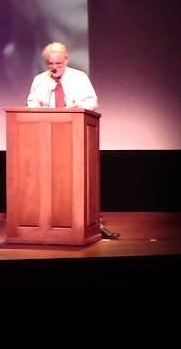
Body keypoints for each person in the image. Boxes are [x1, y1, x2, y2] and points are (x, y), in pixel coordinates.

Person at [25, 42, 119, 238]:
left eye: (59, 63)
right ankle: (53, 221)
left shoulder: (79, 77)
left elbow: (92, 102)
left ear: (66, 60)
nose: (55, 67)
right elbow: (31, 102)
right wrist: (40, 107)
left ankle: (87, 222)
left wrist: (78, 107)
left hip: (75, 135)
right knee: (51, 181)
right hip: (47, 138)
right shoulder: (41, 80)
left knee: (77, 179)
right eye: (50, 63)